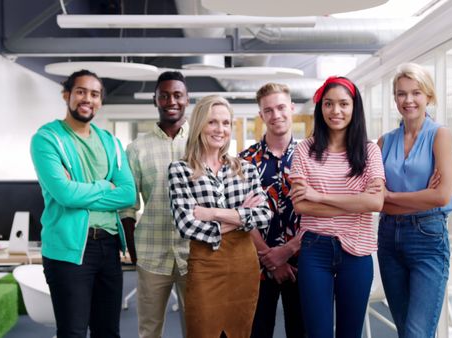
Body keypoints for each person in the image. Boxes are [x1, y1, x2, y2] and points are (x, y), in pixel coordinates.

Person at [30, 69, 136, 338]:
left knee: (108, 332)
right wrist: (104, 185)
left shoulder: (111, 142)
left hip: (109, 246)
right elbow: (65, 195)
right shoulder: (47, 139)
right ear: (66, 95)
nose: (87, 99)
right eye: (80, 92)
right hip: (69, 249)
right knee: (73, 332)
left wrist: (81, 192)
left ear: (100, 101)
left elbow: (127, 194)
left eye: (94, 94)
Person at [168, 95, 272, 338]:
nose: (220, 129)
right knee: (202, 331)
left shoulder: (245, 168)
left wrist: (212, 213)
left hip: (244, 265)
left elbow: (263, 215)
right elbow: (186, 225)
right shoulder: (180, 170)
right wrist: (239, 217)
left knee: (241, 332)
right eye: (212, 122)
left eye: (226, 123)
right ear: (199, 125)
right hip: (205, 265)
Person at [289, 76, 385, 338]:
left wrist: (318, 197)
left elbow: (375, 202)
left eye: (344, 104)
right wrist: (356, 202)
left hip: (357, 252)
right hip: (314, 251)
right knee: (317, 333)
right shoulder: (304, 150)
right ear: (321, 108)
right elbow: (300, 205)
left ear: (355, 107)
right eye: (329, 104)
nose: (336, 111)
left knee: (349, 333)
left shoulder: (369, 151)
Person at [377, 62, 452, 338]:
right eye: (401, 93)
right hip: (388, 238)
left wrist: (393, 196)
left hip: (427, 238)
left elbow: (442, 195)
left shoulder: (439, 135)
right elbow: (376, 201)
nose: (408, 100)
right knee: (405, 331)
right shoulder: (384, 143)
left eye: (416, 92)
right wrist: (423, 196)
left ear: (428, 96)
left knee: (416, 333)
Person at [119, 71, 190, 338]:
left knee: (197, 328)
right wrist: (132, 247)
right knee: (148, 330)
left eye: (177, 95)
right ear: (155, 100)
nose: (171, 101)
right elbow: (128, 204)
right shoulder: (137, 148)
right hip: (151, 251)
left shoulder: (200, 140)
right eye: (164, 95)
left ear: (186, 99)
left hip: (193, 253)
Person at [239, 83, 305, 338]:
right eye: (269, 110)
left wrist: (288, 251)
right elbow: (241, 215)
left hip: (304, 261)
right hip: (257, 263)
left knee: (302, 330)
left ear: (292, 108)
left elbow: (319, 213)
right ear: (261, 115)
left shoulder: (311, 155)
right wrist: (270, 257)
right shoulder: (244, 161)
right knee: (257, 331)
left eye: (281, 107)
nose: (276, 115)